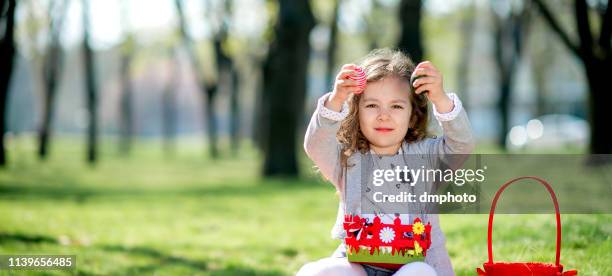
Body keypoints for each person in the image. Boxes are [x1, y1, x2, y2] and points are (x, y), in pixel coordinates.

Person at [298, 48, 475, 276]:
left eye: (396, 106)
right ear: (356, 112)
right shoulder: (347, 158)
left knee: (419, 272)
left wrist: (440, 99)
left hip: (415, 264)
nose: (384, 115)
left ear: (412, 116)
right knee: (317, 272)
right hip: (357, 264)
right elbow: (316, 145)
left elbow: (462, 144)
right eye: (372, 105)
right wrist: (336, 99)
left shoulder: (426, 158)